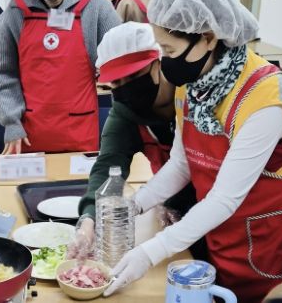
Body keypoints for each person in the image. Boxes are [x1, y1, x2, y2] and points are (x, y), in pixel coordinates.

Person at [105, 0, 282, 301]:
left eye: (169, 50)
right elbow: (181, 165)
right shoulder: (195, 83)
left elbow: (224, 198)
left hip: (271, 241)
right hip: (222, 233)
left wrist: (150, 252)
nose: (165, 61)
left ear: (207, 37)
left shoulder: (266, 98)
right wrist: (133, 206)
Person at [67, 22, 199, 261]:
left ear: (159, 62)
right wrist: (89, 220)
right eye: (115, 83)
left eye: (132, 76)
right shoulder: (124, 112)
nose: (125, 88)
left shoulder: (192, 98)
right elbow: (108, 168)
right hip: (171, 205)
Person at [0, 0, 121, 154]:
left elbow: (122, 57)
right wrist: (11, 122)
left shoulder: (95, 6)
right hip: (28, 135)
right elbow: (3, 73)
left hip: (80, 133)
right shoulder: (16, 11)